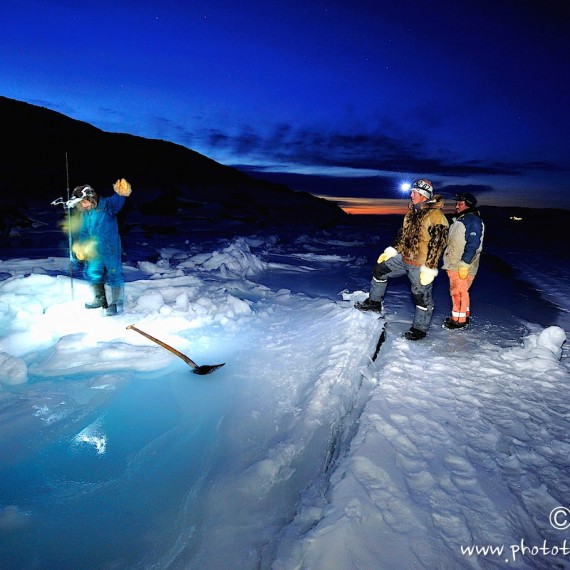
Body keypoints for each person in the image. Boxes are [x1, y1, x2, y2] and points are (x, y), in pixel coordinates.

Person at [355, 178, 449, 341]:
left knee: (421, 297)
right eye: (412, 191)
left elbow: (438, 243)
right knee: (379, 270)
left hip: (420, 265)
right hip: (403, 259)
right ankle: (374, 302)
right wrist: (392, 251)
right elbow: (402, 237)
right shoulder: (411, 214)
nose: (411, 195)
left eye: (414, 192)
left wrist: (430, 267)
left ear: (423, 195)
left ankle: (420, 329)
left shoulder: (436, 216)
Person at [70, 178, 132, 316]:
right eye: (81, 204)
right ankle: (100, 299)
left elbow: (117, 203)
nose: (83, 206)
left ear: (90, 198)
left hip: (110, 247)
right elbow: (84, 231)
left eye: (84, 202)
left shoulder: (106, 206)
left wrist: (120, 193)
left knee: (114, 273)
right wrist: (81, 247)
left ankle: (116, 303)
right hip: (94, 248)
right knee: (93, 272)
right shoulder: (87, 213)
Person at [442, 192, 485, 329]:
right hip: (455, 263)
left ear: (468, 204)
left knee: (458, 292)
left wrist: (465, 263)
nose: (456, 206)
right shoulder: (462, 219)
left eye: (459, 203)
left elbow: (474, 243)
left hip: (461, 265)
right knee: (459, 291)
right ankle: (462, 316)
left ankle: (459, 321)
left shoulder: (472, 220)